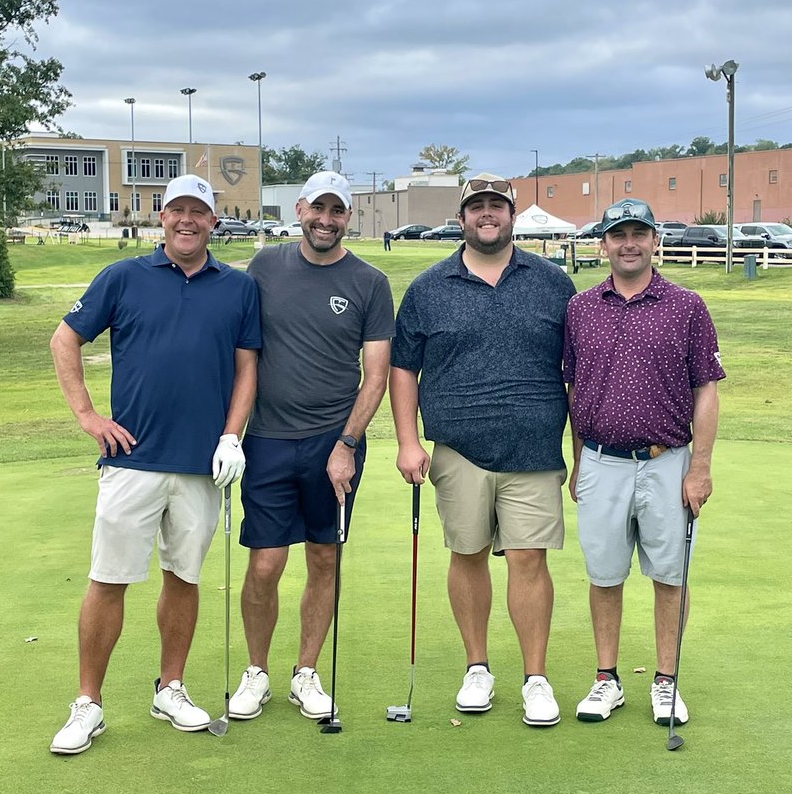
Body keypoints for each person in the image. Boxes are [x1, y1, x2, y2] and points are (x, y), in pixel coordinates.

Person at [48, 174, 261, 755]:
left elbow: (247, 369)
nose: (187, 220)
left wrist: (232, 436)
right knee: (108, 579)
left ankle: (171, 688)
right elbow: (65, 340)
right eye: (177, 211)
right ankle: (88, 703)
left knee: (184, 578)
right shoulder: (123, 276)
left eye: (198, 211)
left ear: (213, 221)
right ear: (161, 218)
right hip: (132, 459)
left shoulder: (238, 288)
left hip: (202, 464)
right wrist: (89, 416)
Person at [390, 173, 575, 726]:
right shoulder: (429, 287)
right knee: (467, 554)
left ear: (513, 215)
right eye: (477, 207)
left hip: (534, 449)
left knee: (529, 559)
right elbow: (404, 368)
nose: (487, 214)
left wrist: (581, 448)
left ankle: (536, 678)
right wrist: (408, 441)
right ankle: (477, 668)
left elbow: (578, 371)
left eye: (497, 206)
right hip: (459, 448)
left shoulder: (553, 282)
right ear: (462, 217)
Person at [228, 170, 395, 722]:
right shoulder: (264, 266)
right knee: (265, 564)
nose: (326, 220)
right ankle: (257, 672)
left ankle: (306, 672)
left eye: (337, 211)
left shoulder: (369, 282)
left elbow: (376, 375)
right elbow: (242, 350)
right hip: (269, 439)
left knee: (324, 557)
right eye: (317, 209)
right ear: (300, 209)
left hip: (334, 442)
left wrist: (347, 443)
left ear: (348, 217)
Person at [564, 198, 725, 728]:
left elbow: (706, 390)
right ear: (603, 244)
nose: (628, 244)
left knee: (670, 575)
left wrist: (700, 468)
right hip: (601, 461)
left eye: (639, 233)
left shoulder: (687, 306)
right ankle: (606, 679)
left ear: (656, 240)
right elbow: (574, 389)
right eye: (618, 234)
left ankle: (666, 680)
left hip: (668, 462)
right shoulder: (581, 308)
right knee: (604, 574)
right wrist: (578, 460)